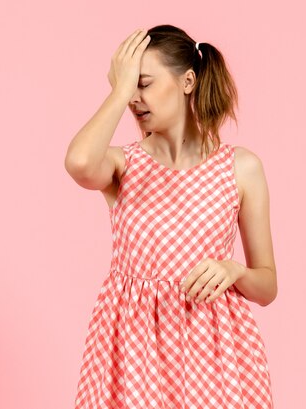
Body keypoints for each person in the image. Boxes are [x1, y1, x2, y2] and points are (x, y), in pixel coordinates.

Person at [65, 24, 277, 409]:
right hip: (131, 353)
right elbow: (79, 162)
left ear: (188, 81)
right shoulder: (121, 166)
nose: (134, 98)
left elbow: (267, 286)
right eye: (128, 87)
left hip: (214, 353)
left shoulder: (240, 168)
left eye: (143, 83)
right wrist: (119, 90)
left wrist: (235, 271)